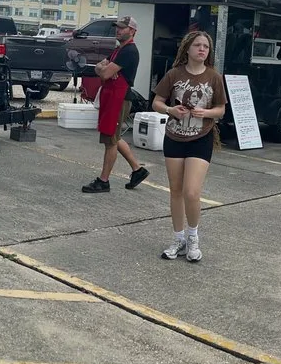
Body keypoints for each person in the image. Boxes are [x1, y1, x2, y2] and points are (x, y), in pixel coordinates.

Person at [152, 31, 228, 261]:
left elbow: (221, 110)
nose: (202, 49)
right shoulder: (174, 74)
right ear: (187, 48)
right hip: (174, 137)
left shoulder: (214, 77)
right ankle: (178, 239)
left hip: (201, 138)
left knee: (191, 192)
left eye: (206, 46)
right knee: (175, 190)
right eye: (197, 45)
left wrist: (206, 112)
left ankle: (193, 238)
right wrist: (170, 110)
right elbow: (156, 102)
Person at [81, 18, 151, 193]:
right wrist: (104, 69)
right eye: (117, 28)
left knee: (111, 141)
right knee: (113, 137)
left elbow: (104, 73)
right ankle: (138, 170)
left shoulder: (129, 51)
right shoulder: (118, 50)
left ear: (132, 31)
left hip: (118, 99)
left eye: (122, 28)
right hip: (111, 97)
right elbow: (100, 68)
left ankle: (103, 181)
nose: (118, 31)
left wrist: (106, 70)